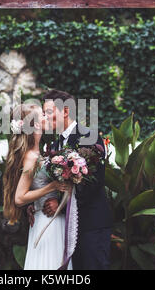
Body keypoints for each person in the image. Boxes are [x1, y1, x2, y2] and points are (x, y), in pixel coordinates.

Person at [34, 89, 113, 270]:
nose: (45, 118)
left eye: (48, 112)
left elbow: (94, 182)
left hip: (91, 224)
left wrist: (60, 206)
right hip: (66, 228)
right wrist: (38, 204)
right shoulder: (55, 145)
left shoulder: (89, 137)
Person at [2, 103, 72, 270]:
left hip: (48, 217)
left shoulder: (36, 152)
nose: (47, 117)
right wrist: (52, 187)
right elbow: (19, 198)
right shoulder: (32, 156)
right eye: (42, 115)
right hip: (48, 222)